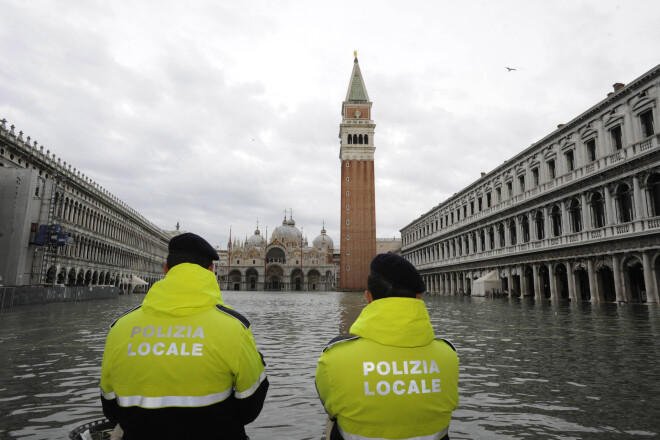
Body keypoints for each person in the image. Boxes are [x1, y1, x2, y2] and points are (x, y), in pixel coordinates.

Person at [100, 232, 269, 439]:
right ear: (211, 269)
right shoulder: (234, 327)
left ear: (165, 269)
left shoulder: (120, 327)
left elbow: (110, 407)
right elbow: (250, 406)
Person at [315, 253, 459, 440]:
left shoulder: (334, 357)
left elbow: (329, 407)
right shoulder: (448, 356)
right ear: (418, 296)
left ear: (368, 297)